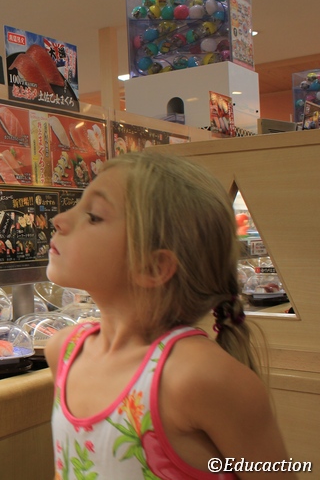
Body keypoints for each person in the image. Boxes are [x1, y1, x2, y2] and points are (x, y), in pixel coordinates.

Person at [44, 151, 295, 479]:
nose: (59, 219)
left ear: (153, 267)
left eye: (93, 216)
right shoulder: (64, 351)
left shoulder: (199, 378)